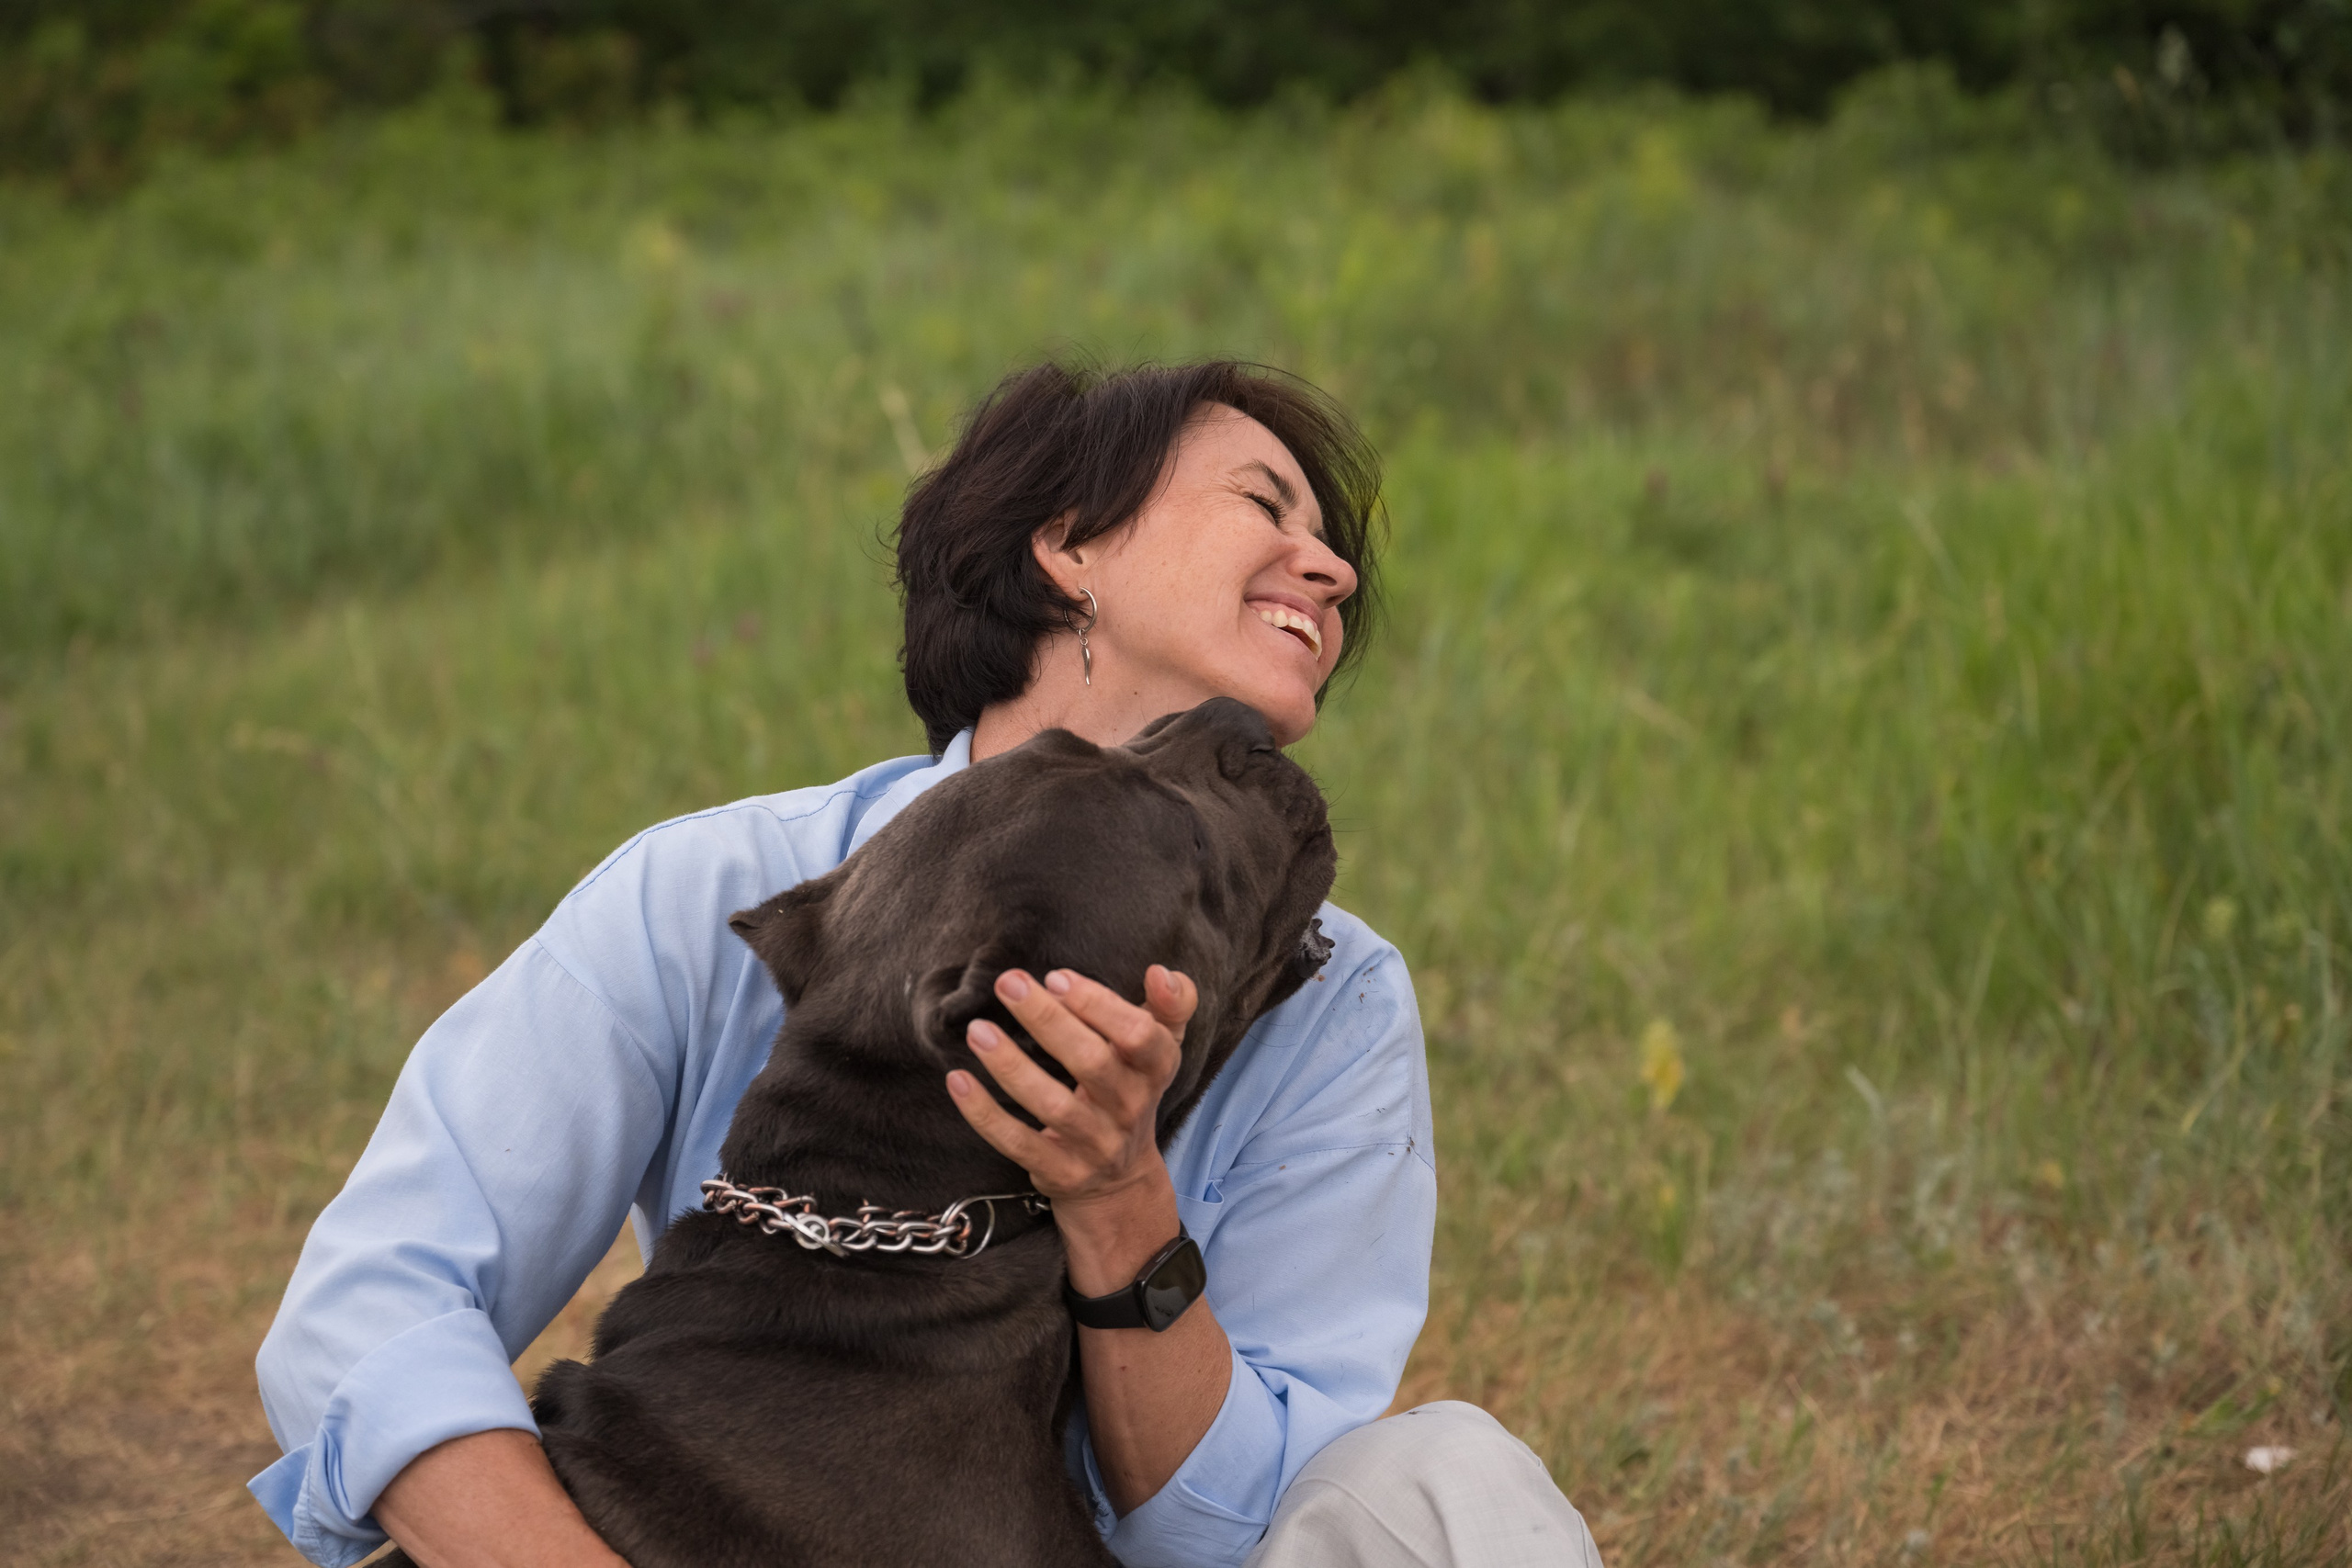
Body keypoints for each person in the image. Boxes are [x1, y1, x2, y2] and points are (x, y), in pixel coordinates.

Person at [250, 359, 1604, 1568]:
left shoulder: (1332, 995)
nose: (1334, 572)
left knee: (1449, 1484)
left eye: (1336, 550)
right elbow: (367, 1309)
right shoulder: (721, 889)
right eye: (1267, 505)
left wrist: (1117, 1196)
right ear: (1068, 545)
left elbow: (1240, 1528)